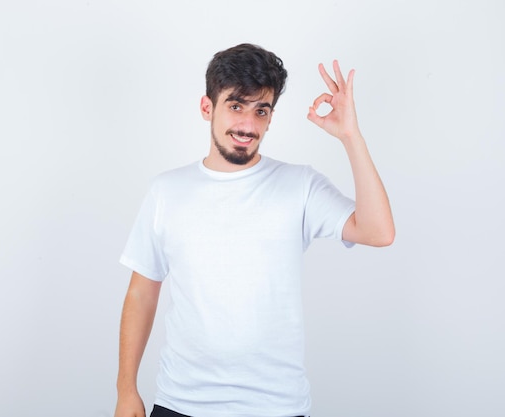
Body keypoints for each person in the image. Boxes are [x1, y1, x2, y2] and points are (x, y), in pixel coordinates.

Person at [114, 43, 395, 417]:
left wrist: (350, 137)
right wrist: (126, 389)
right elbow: (141, 294)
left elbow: (379, 232)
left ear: (271, 116)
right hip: (181, 404)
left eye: (261, 110)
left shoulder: (300, 186)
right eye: (235, 106)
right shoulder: (167, 191)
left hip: (276, 407)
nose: (248, 125)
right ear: (206, 107)